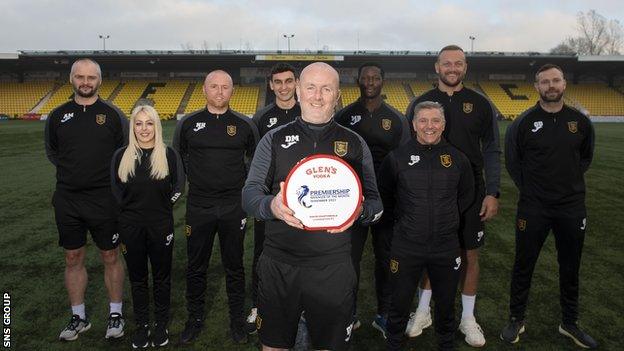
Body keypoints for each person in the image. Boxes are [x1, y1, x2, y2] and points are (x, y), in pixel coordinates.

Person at [242, 62, 383, 351]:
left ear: (337, 95)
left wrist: (360, 211)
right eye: (310, 87)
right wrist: (272, 206)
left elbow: (377, 203)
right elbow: (249, 196)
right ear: (298, 91)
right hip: (280, 265)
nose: (318, 96)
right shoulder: (274, 139)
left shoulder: (354, 143)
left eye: (326, 88)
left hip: (333, 268)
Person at [404, 45, 500, 347]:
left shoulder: (481, 104)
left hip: (471, 195)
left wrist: (493, 192)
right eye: (447, 63)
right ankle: (423, 311)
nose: (453, 68)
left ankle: (468, 318)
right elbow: (409, 152)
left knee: (469, 254)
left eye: (458, 63)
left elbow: (492, 150)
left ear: (465, 67)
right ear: (437, 67)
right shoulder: (419, 103)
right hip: (430, 194)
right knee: (430, 252)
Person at [501, 64, 597, 349]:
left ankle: (569, 322)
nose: (551, 86)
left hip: (571, 207)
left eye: (556, 80)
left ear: (564, 84)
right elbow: (513, 162)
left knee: (570, 267)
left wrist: (566, 186)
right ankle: (516, 318)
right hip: (533, 208)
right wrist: (533, 190)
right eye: (545, 82)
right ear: (536, 86)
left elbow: (585, 159)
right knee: (523, 264)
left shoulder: (580, 122)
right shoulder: (523, 122)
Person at [173, 70, 259, 344]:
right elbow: (178, 158)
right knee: (196, 267)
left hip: (234, 207)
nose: (220, 92)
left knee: (235, 266)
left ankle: (236, 320)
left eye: (225, 87)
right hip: (199, 207)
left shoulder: (245, 125)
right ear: (204, 90)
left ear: (232, 91)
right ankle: (194, 319)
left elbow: (255, 162)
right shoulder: (188, 123)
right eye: (214, 86)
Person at [380, 101, 474, 351]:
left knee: (446, 307)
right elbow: (386, 199)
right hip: (406, 246)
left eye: (435, 121)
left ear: (443, 125)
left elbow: (465, 197)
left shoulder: (457, 159)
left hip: (445, 247)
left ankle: (446, 345)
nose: (429, 126)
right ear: (413, 124)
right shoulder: (396, 158)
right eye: (423, 120)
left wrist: (445, 221)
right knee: (399, 306)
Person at [45, 58, 128, 341]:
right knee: (72, 257)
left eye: (91, 78)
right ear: (71, 79)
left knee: (110, 255)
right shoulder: (57, 116)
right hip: (68, 199)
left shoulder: (114, 115)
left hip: (105, 198)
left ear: (100, 81)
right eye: (80, 77)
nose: (85, 82)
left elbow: (124, 154)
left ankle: (115, 313)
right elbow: (53, 152)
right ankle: (78, 317)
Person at [334, 62, 411, 336]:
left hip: (387, 202)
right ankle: (349, 314)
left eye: (375, 77)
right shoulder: (344, 116)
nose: (369, 81)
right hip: (350, 202)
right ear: (358, 81)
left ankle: (385, 313)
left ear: (383, 81)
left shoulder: (397, 119)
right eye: (365, 77)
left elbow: (404, 163)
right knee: (348, 260)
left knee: (385, 258)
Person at [111, 105, 185, 348]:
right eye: (139, 123)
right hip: (130, 227)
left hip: (160, 225)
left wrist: (163, 208)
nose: (144, 129)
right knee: (138, 278)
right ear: (133, 127)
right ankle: (142, 326)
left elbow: (178, 188)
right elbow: (115, 190)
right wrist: (130, 212)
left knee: (162, 278)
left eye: (149, 123)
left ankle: (161, 325)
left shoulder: (169, 155)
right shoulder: (120, 155)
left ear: (157, 125)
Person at [247, 63, 301, 333]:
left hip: (305, 200)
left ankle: (302, 303)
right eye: (277, 82)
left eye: (288, 81)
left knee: (303, 251)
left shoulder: (308, 112)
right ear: (270, 85)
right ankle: (258, 303)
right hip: (271, 201)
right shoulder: (262, 117)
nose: (283, 87)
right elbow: (256, 162)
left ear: (296, 83)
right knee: (262, 253)